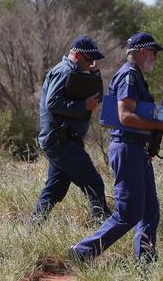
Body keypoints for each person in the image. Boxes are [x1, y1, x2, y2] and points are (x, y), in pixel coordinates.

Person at [69, 32, 163, 262]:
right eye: (153, 53)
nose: (155, 58)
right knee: (128, 214)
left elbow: (141, 114)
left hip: (138, 150)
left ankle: (146, 266)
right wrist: (161, 123)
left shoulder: (136, 76)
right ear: (142, 51)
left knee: (149, 212)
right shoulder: (129, 76)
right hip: (128, 149)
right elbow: (126, 117)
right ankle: (81, 252)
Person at [29, 36, 112, 226]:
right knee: (94, 184)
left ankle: (32, 229)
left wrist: (94, 72)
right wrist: (84, 105)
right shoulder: (65, 70)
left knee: (54, 190)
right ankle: (105, 228)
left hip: (63, 141)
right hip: (61, 142)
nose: (91, 62)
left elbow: (96, 94)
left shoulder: (75, 72)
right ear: (76, 54)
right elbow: (53, 103)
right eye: (89, 59)